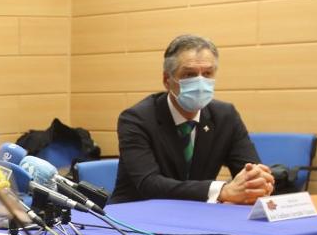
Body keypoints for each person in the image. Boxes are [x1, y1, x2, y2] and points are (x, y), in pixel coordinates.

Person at [110, 34, 274, 205]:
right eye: (189, 74)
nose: (200, 82)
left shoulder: (225, 116)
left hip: (196, 215)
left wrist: (257, 183)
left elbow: (249, 170)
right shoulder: (137, 119)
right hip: (136, 216)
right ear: (167, 80)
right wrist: (222, 191)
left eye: (207, 73)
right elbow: (149, 184)